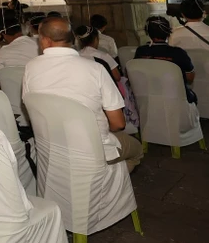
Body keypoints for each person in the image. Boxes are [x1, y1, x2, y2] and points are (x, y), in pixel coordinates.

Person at [22, 17, 142, 173]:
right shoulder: (95, 69)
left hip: (52, 143)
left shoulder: (30, 67)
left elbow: (30, 107)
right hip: (95, 147)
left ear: (44, 40)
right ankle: (109, 183)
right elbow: (118, 123)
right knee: (137, 151)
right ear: (71, 38)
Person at [134, 16, 196, 103]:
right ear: (168, 31)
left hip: (149, 98)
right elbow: (190, 78)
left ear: (148, 32)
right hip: (176, 98)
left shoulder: (140, 51)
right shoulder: (178, 53)